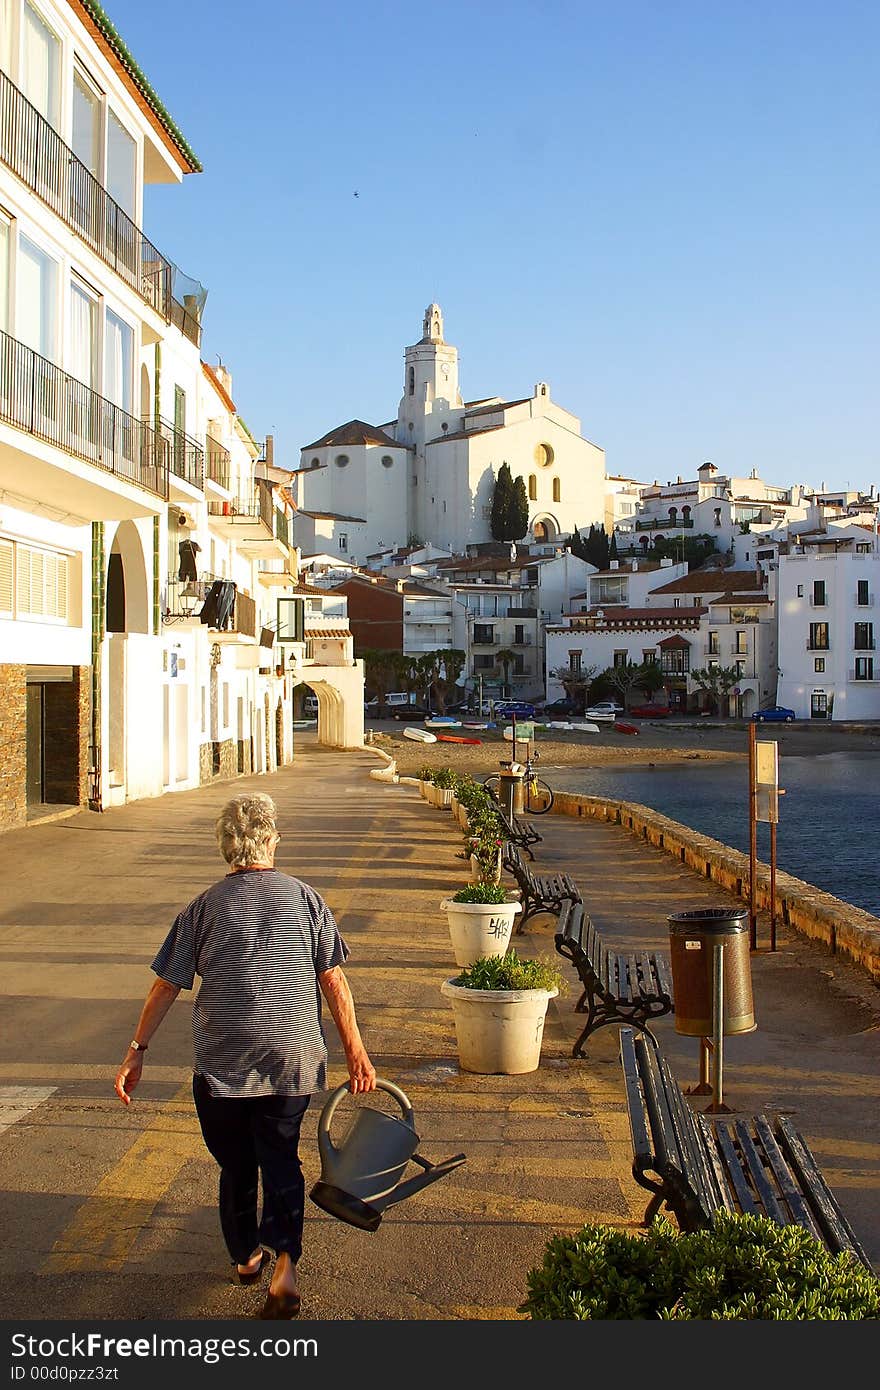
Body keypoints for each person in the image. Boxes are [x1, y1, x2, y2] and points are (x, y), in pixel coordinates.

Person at [115, 792, 375, 1319]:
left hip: (222, 1067)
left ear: (226, 848)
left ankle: (246, 1256)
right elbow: (334, 978)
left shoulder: (203, 908)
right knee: (281, 1158)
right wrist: (356, 1051)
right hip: (290, 1059)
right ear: (272, 839)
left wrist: (135, 1052)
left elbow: (165, 986)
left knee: (236, 1165)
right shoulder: (305, 899)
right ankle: (285, 1262)